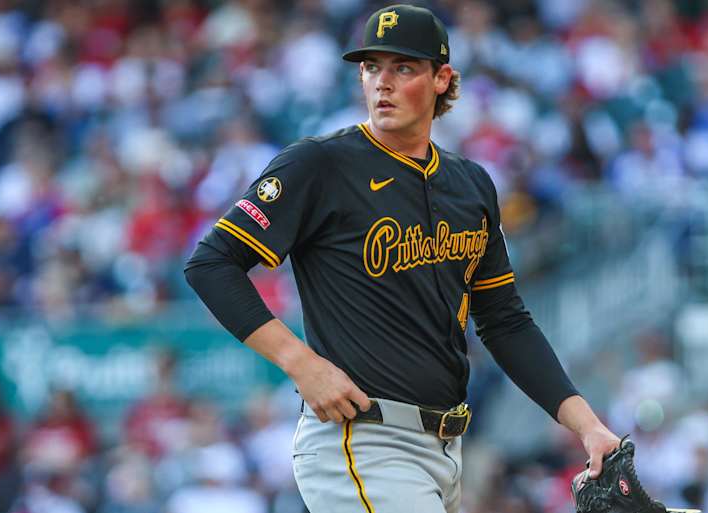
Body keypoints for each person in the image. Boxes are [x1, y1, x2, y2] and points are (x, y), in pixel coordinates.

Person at [184, 5, 620, 512]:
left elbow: (505, 320)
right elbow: (211, 263)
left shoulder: (471, 184)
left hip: (445, 450)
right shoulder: (320, 164)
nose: (382, 82)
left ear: (442, 79)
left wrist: (587, 426)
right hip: (363, 439)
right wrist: (300, 363)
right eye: (371, 67)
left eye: (403, 67)